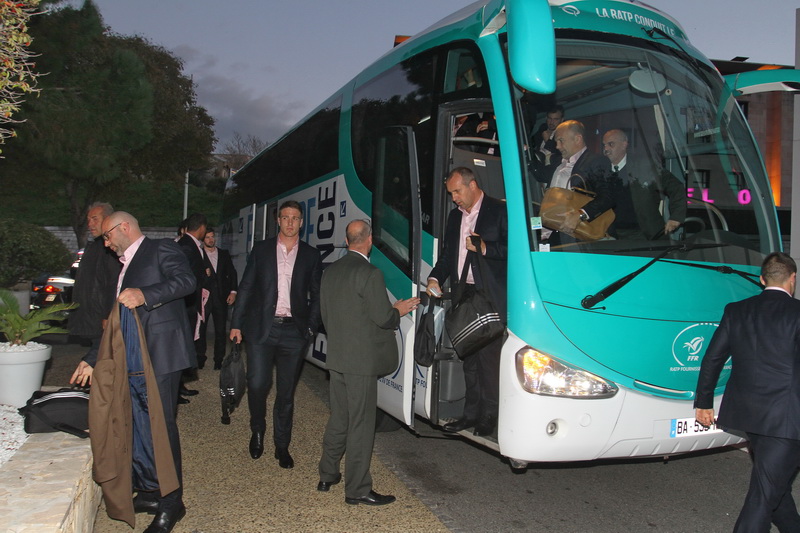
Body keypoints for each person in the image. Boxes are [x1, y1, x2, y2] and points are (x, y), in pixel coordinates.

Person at [71, 211, 196, 533]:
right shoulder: (124, 265)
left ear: (124, 227)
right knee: (139, 427)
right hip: (134, 360)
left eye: (108, 236)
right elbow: (116, 319)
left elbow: (186, 281)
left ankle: (173, 502)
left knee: (161, 430)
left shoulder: (161, 249)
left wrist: (146, 295)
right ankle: (152, 490)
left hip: (162, 356)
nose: (106, 243)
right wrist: (92, 357)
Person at [695, 252, 800, 532]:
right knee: (764, 494)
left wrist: (703, 402)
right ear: (793, 279)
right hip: (787, 420)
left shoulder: (737, 310)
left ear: (762, 279)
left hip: (749, 415)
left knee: (774, 482)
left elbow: (713, 358)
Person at [317, 219, 419, 505]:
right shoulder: (370, 273)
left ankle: (327, 474)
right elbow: (383, 318)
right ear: (370, 239)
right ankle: (358, 489)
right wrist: (397, 309)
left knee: (340, 417)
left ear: (348, 239)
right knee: (361, 425)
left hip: (337, 358)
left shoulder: (331, 271)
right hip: (361, 364)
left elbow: (325, 316)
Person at [230, 200, 322, 469]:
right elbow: (246, 287)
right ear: (278, 221)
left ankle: (282, 445)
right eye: (285, 217)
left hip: (294, 332)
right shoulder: (261, 250)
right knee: (257, 384)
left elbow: (317, 295)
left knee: (286, 393)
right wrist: (236, 323)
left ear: (302, 222)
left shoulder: (311, 255)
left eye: (295, 218)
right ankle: (257, 430)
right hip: (262, 329)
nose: (290, 222)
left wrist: (310, 327)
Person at [426, 166, 507, 436]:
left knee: (489, 363)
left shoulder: (499, 210)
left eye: (457, 192)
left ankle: (489, 418)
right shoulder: (454, 217)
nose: (454, 198)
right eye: (451, 194)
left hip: (491, 297)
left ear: (472, 186)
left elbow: (517, 250)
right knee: (469, 361)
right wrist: (435, 278)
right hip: (465, 295)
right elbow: (449, 256)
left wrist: (485, 248)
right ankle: (470, 415)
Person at [534, 120, 613, 243]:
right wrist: (525, 152)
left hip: (574, 236)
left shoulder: (596, 161)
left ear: (577, 139)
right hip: (547, 233)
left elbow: (608, 196)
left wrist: (580, 215)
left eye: (561, 141)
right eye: (556, 142)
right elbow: (539, 174)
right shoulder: (557, 162)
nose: (557, 146)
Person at [601, 129, 686, 240]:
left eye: (611, 144)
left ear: (624, 145)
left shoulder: (645, 167)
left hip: (644, 235)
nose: (606, 149)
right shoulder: (601, 171)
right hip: (612, 235)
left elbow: (676, 187)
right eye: (604, 145)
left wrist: (676, 217)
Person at [69, 202, 120, 354]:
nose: (90, 224)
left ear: (108, 219)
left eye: (94, 219)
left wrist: (107, 315)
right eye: (89, 219)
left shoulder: (111, 248)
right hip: (91, 318)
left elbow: (113, 283)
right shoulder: (95, 246)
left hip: (101, 319)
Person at [198, 228, 237, 370]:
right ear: (203, 240)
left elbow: (232, 273)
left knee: (220, 331)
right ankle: (200, 358)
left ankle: (218, 360)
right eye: (207, 237)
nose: (210, 239)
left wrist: (233, 292)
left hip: (221, 298)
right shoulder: (199, 255)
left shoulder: (224, 254)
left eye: (212, 237)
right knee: (201, 330)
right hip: (204, 298)